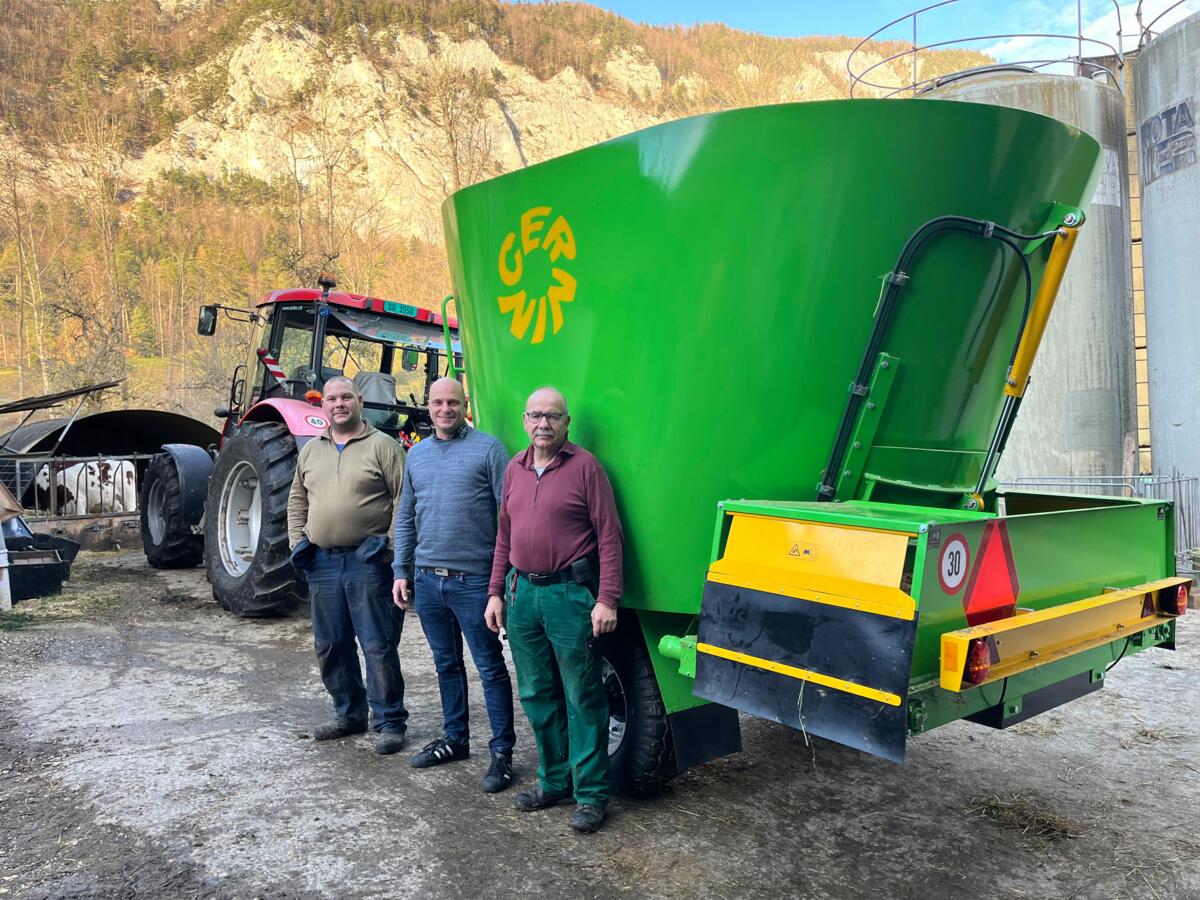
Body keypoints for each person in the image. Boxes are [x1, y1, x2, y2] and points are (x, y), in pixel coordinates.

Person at [485, 386, 623, 834]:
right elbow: (504, 537)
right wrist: (495, 592)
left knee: (582, 696)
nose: (543, 423)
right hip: (523, 594)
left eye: (552, 416)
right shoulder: (514, 468)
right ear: (524, 420)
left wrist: (607, 598)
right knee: (537, 694)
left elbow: (609, 536)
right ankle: (554, 781)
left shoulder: (586, 468)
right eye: (535, 415)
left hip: (569, 596)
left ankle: (591, 795)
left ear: (567, 423)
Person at [391, 377, 516, 793]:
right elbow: (406, 515)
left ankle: (502, 754)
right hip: (428, 580)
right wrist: (401, 569)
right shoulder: (417, 454)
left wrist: (499, 583)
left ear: (465, 405)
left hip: (474, 582)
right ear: (428, 406)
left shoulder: (489, 450)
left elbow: (508, 518)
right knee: (446, 664)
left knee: (490, 667)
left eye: (453, 402)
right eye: (438, 402)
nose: (445, 409)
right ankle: (455, 739)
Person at [287, 375, 409, 755]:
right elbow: (297, 498)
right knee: (330, 644)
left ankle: (389, 721)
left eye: (345, 398)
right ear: (322, 404)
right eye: (331, 399)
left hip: (368, 561)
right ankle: (349, 713)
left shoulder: (384, 446)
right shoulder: (311, 450)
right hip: (322, 561)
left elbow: (404, 500)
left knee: (377, 644)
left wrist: (390, 548)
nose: (338, 404)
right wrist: (297, 541)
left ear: (359, 401)